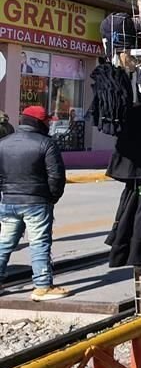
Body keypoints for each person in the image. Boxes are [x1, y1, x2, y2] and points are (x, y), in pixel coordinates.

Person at [0, 106, 69, 300]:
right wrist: (51, 198)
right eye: (46, 120)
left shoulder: (3, 143)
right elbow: (56, 177)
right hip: (37, 202)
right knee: (39, 243)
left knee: (4, 243)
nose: (49, 123)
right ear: (38, 122)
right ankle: (42, 286)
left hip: (8, 201)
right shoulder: (46, 143)